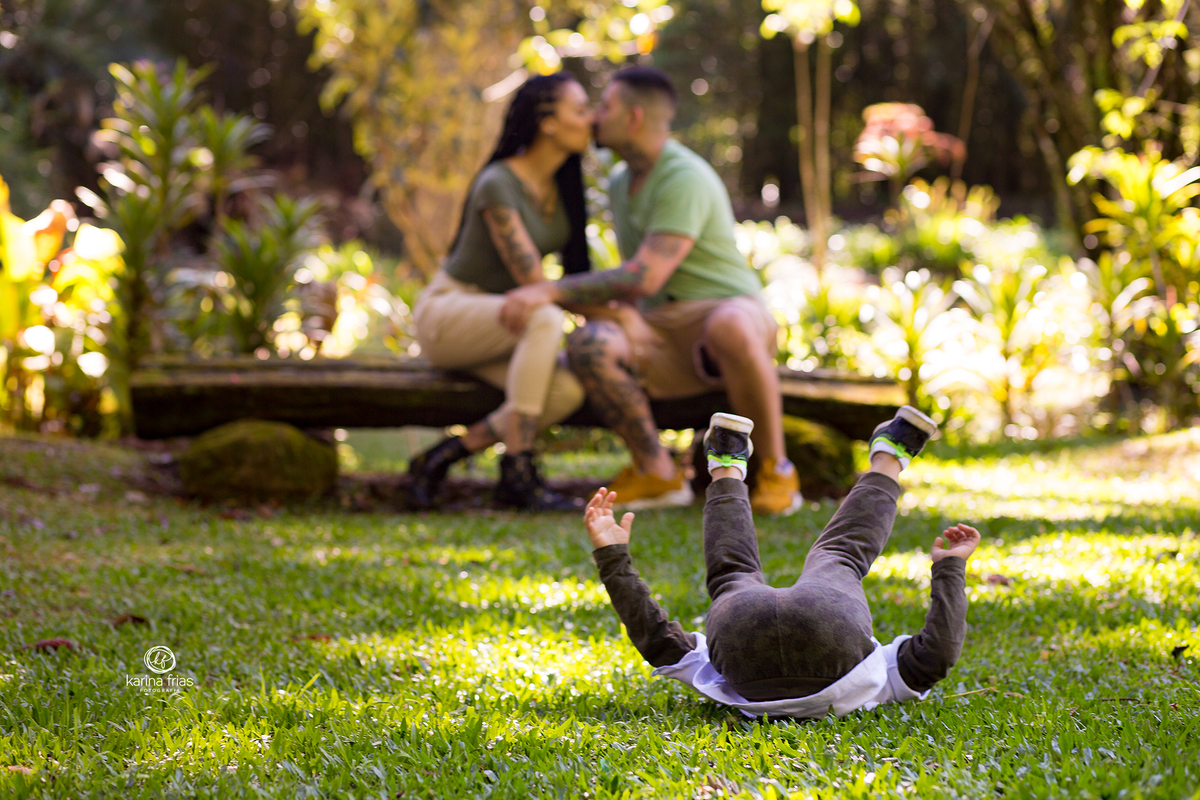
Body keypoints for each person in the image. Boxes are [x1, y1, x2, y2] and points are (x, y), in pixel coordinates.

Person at [500, 67, 801, 514]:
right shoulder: (621, 181)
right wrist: (622, 316)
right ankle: (656, 471)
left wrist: (547, 289)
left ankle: (777, 470)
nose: (595, 118)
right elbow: (639, 286)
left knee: (730, 326)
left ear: (634, 117)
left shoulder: (684, 176)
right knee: (589, 344)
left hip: (728, 311)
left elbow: (645, 275)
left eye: (605, 107)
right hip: (662, 327)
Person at [583, 406, 980, 719]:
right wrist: (612, 557)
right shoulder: (879, 683)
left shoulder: (881, 682)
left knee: (840, 554)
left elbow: (939, 653)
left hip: (829, 625)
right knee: (731, 571)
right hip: (745, 641)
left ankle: (891, 455)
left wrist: (949, 567)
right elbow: (656, 639)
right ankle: (726, 462)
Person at [406, 73, 593, 511]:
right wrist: (617, 315)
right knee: (545, 315)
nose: (592, 120)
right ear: (548, 122)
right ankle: (519, 470)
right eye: (581, 110)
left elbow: (568, 278)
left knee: (567, 390)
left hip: (504, 321)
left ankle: (444, 455)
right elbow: (535, 285)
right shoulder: (498, 183)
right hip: (448, 313)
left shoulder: (564, 186)